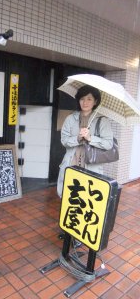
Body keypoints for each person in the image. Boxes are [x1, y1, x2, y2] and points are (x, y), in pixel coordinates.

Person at [57, 85, 114, 246]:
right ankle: (67, 230)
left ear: (95, 101)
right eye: (82, 98)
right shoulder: (71, 118)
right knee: (69, 197)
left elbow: (108, 144)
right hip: (71, 163)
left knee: (85, 200)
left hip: (90, 167)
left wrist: (90, 138)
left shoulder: (102, 121)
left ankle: (79, 235)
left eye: (89, 98)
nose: (85, 102)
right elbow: (64, 140)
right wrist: (77, 138)